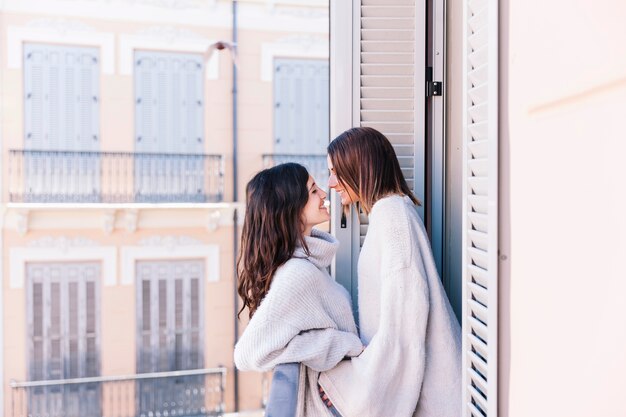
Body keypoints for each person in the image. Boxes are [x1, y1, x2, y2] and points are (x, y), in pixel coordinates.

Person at [317, 127, 462, 417]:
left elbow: (403, 326)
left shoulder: (393, 218)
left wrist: (357, 392)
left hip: (431, 397)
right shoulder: (390, 215)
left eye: (336, 171)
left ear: (360, 167)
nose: (331, 183)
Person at [234, 163, 363, 416]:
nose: (324, 193)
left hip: (349, 395)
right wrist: (341, 343)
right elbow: (246, 353)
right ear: (291, 208)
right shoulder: (297, 275)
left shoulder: (309, 264)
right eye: (314, 191)